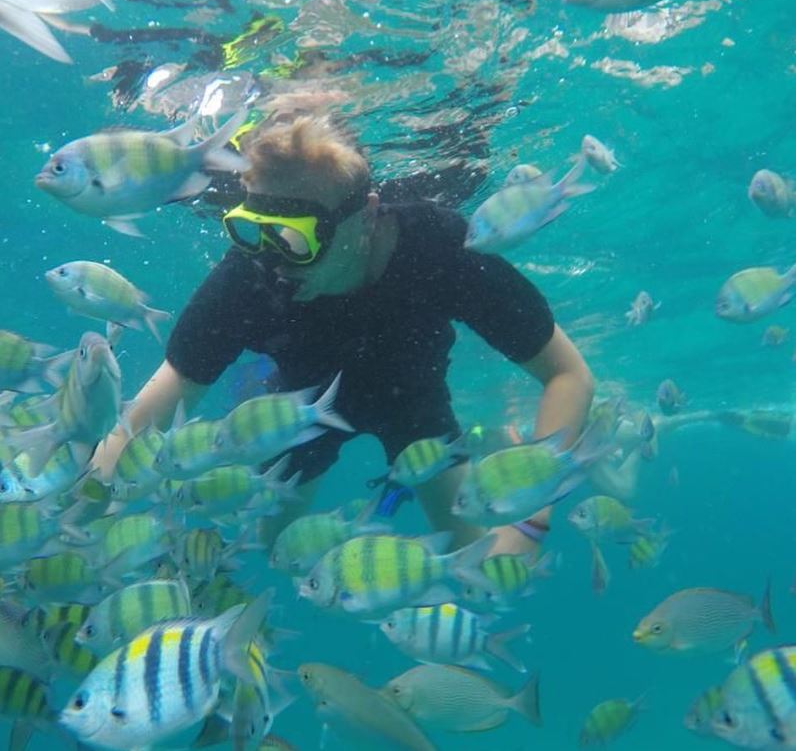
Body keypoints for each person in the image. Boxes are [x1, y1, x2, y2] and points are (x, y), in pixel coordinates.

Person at [93, 115, 595, 554]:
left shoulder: (443, 250)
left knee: (486, 564)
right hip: (294, 414)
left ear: (366, 217)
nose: (272, 260)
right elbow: (141, 422)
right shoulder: (245, 277)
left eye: (295, 240)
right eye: (253, 228)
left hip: (413, 405)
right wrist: (80, 516)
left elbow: (569, 375)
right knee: (275, 548)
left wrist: (532, 521)